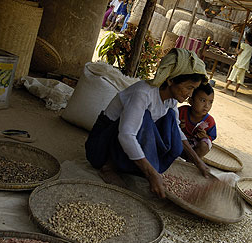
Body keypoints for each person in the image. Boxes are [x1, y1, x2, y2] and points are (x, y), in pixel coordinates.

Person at [85, 48, 210, 199]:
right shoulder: (143, 93)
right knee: (144, 117)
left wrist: (198, 161)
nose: (190, 94)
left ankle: (134, 166)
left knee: (171, 119)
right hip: (101, 146)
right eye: (189, 87)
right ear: (171, 80)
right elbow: (126, 135)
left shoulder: (171, 99)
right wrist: (151, 173)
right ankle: (109, 167)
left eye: (193, 89)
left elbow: (177, 130)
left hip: (121, 141)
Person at [179, 83, 216, 158]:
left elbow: (211, 137)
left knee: (204, 146)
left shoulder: (210, 121)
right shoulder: (182, 111)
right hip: (179, 142)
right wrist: (178, 126)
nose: (207, 106)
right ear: (191, 100)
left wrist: (205, 136)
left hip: (194, 148)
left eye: (210, 102)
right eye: (203, 100)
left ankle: (191, 161)